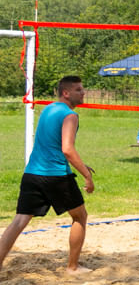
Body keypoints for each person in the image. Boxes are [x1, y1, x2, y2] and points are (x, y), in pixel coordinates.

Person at [0, 76, 95, 274]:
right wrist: (87, 175)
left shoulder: (48, 109)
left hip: (33, 173)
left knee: (19, 221)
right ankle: (72, 268)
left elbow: (50, 144)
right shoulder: (70, 115)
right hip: (56, 176)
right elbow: (67, 149)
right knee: (80, 217)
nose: (83, 92)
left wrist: (81, 164)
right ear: (66, 93)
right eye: (78, 89)